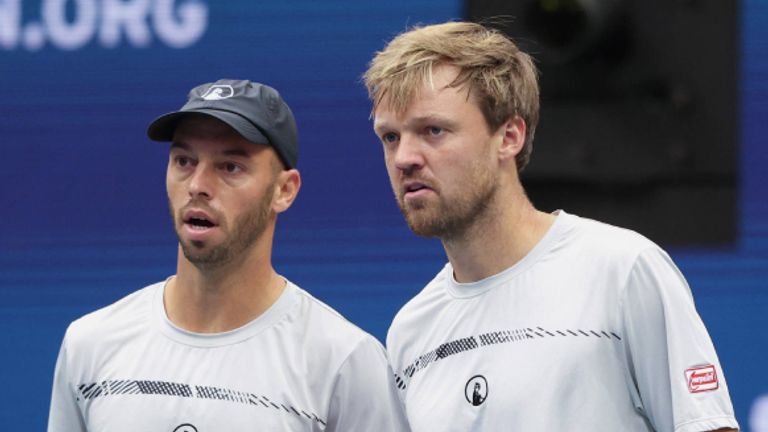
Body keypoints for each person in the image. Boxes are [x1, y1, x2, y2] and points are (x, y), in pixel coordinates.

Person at [363, 21, 739, 431]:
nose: (405, 159)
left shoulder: (622, 270)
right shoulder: (410, 331)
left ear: (509, 136)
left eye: (433, 130)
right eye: (390, 138)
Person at [47, 79, 409, 431]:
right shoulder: (90, 345)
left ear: (284, 190)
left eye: (230, 167)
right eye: (184, 161)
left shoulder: (343, 361)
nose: (197, 186)